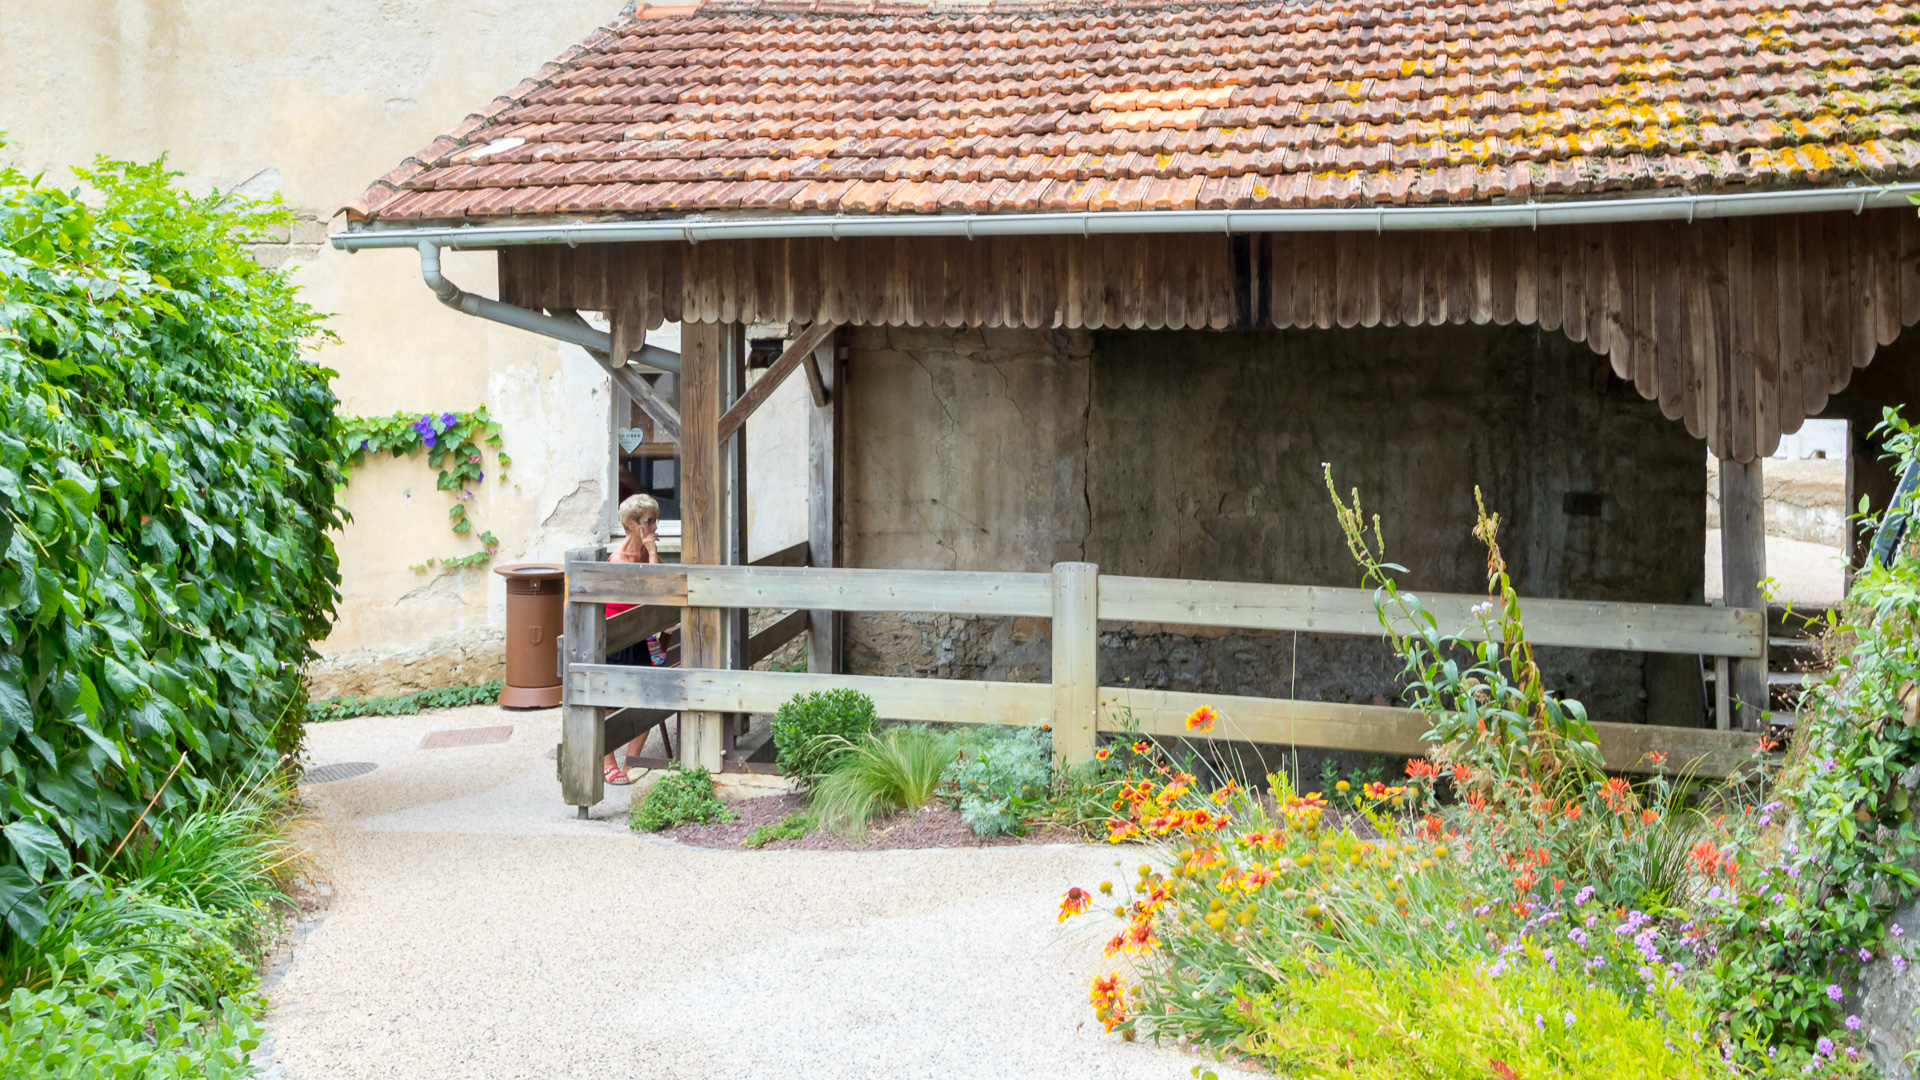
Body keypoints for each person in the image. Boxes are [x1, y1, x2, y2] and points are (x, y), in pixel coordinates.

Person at [602, 494, 663, 785]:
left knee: (649, 699)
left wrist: (651, 553)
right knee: (608, 704)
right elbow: (649, 593)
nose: (654, 527)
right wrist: (651, 553)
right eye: (648, 521)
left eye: (655, 521)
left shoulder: (647, 555)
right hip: (617, 638)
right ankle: (608, 762)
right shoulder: (619, 560)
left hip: (643, 638)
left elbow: (663, 585)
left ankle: (631, 763)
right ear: (631, 523)